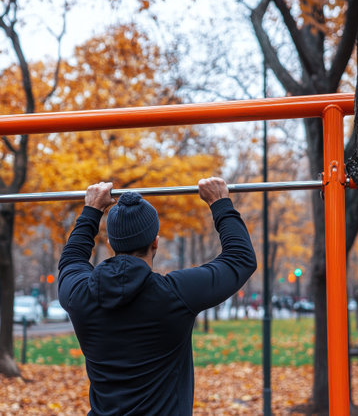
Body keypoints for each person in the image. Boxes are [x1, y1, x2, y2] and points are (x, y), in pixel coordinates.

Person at [58, 177, 257, 416]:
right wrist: (220, 202)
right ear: (155, 242)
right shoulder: (175, 295)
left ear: (111, 243)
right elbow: (240, 258)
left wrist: (91, 210)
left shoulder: (80, 296)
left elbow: (72, 259)